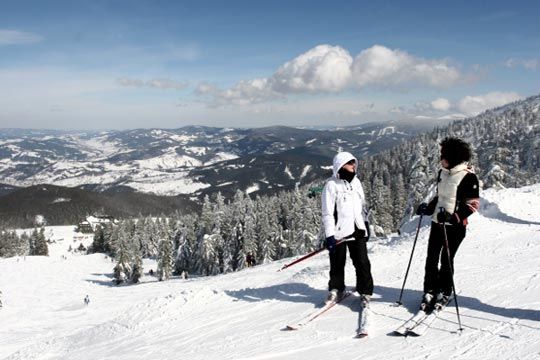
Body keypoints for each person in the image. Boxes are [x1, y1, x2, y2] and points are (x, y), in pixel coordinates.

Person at [416, 137, 480, 310]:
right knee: (431, 258)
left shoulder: (468, 177)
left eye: (443, 155)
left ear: (453, 157)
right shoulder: (442, 173)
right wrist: (428, 208)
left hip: (456, 227)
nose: (440, 159)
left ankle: (445, 292)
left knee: (446, 260)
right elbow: (440, 197)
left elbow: (472, 205)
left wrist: (454, 218)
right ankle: (429, 290)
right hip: (438, 223)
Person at [321, 151, 373, 305]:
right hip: (339, 233)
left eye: (354, 162)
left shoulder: (356, 183)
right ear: (340, 165)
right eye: (350, 163)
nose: (353, 165)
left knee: (362, 262)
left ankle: (365, 291)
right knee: (337, 263)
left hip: (357, 230)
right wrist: (330, 235)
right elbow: (327, 213)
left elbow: (362, 206)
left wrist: (365, 224)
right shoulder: (331, 186)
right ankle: (336, 288)